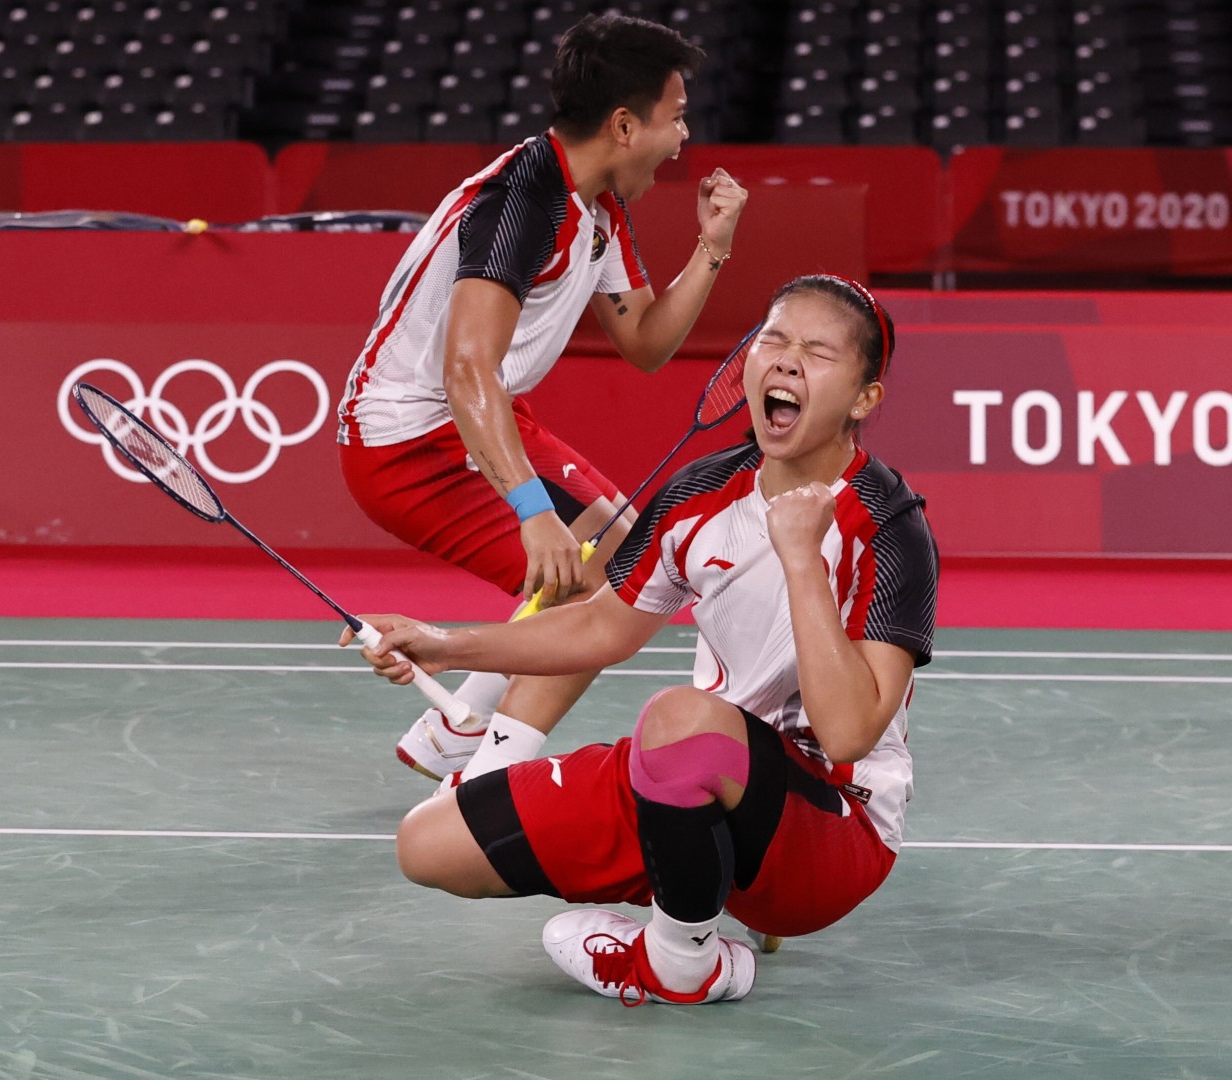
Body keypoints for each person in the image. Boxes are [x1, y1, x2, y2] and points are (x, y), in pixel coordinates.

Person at [347, 276, 938, 1005]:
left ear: (863, 398)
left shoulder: (890, 524)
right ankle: (703, 877)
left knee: (679, 716)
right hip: (702, 774)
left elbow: (848, 731)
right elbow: (603, 625)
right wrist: (444, 645)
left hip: (832, 833)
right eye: (774, 341)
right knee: (427, 845)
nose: (785, 362)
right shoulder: (701, 494)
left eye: (817, 352)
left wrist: (799, 558)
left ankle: (682, 964)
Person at [335, 13, 749, 784]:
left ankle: (453, 741)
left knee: (629, 553)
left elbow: (648, 344)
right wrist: (533, 511)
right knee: (608, 593)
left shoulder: (597, 205)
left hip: (483, 416)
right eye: (677, 116)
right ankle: (487, 778)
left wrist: (713, 245)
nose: (685, 136)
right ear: (625, 124)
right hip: (407, 443)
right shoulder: (524, 201)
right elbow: (466, 369)